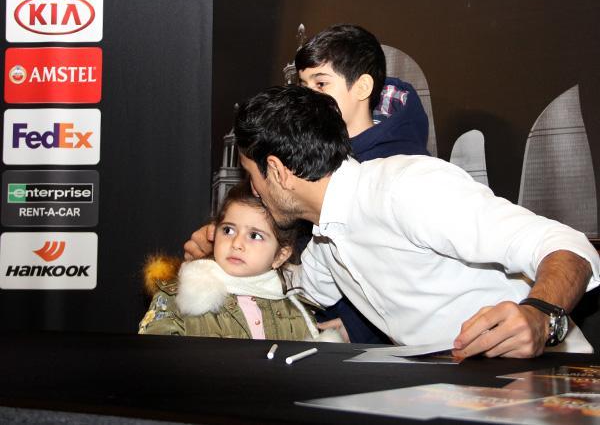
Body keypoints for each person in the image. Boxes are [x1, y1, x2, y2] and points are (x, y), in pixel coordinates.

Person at [232, 85, 599, 359]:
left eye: (251, 174)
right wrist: (218, 252)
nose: (254, 189)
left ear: (277, 171)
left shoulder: (405, 188)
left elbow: (567, 247)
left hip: (550, 381)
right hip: (458, 392)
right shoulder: (326, 240)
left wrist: (541, 316)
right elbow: (295, 289)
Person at [185, 24, 430, 344]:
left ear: (362, 87)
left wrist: (359, 327)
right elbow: (296, 256)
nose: (309, 96)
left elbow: (411, 275)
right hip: (303, 320)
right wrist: (227, 241)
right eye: (304, 85)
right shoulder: (293, 156)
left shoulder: (404, 174)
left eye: (321, 84)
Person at [139, 180, 333, 341]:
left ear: (280, 255)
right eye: (228, 230)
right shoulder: (178, 297)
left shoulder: (296, 312)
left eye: (255, 236)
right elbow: (153, 360)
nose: (237, 243)